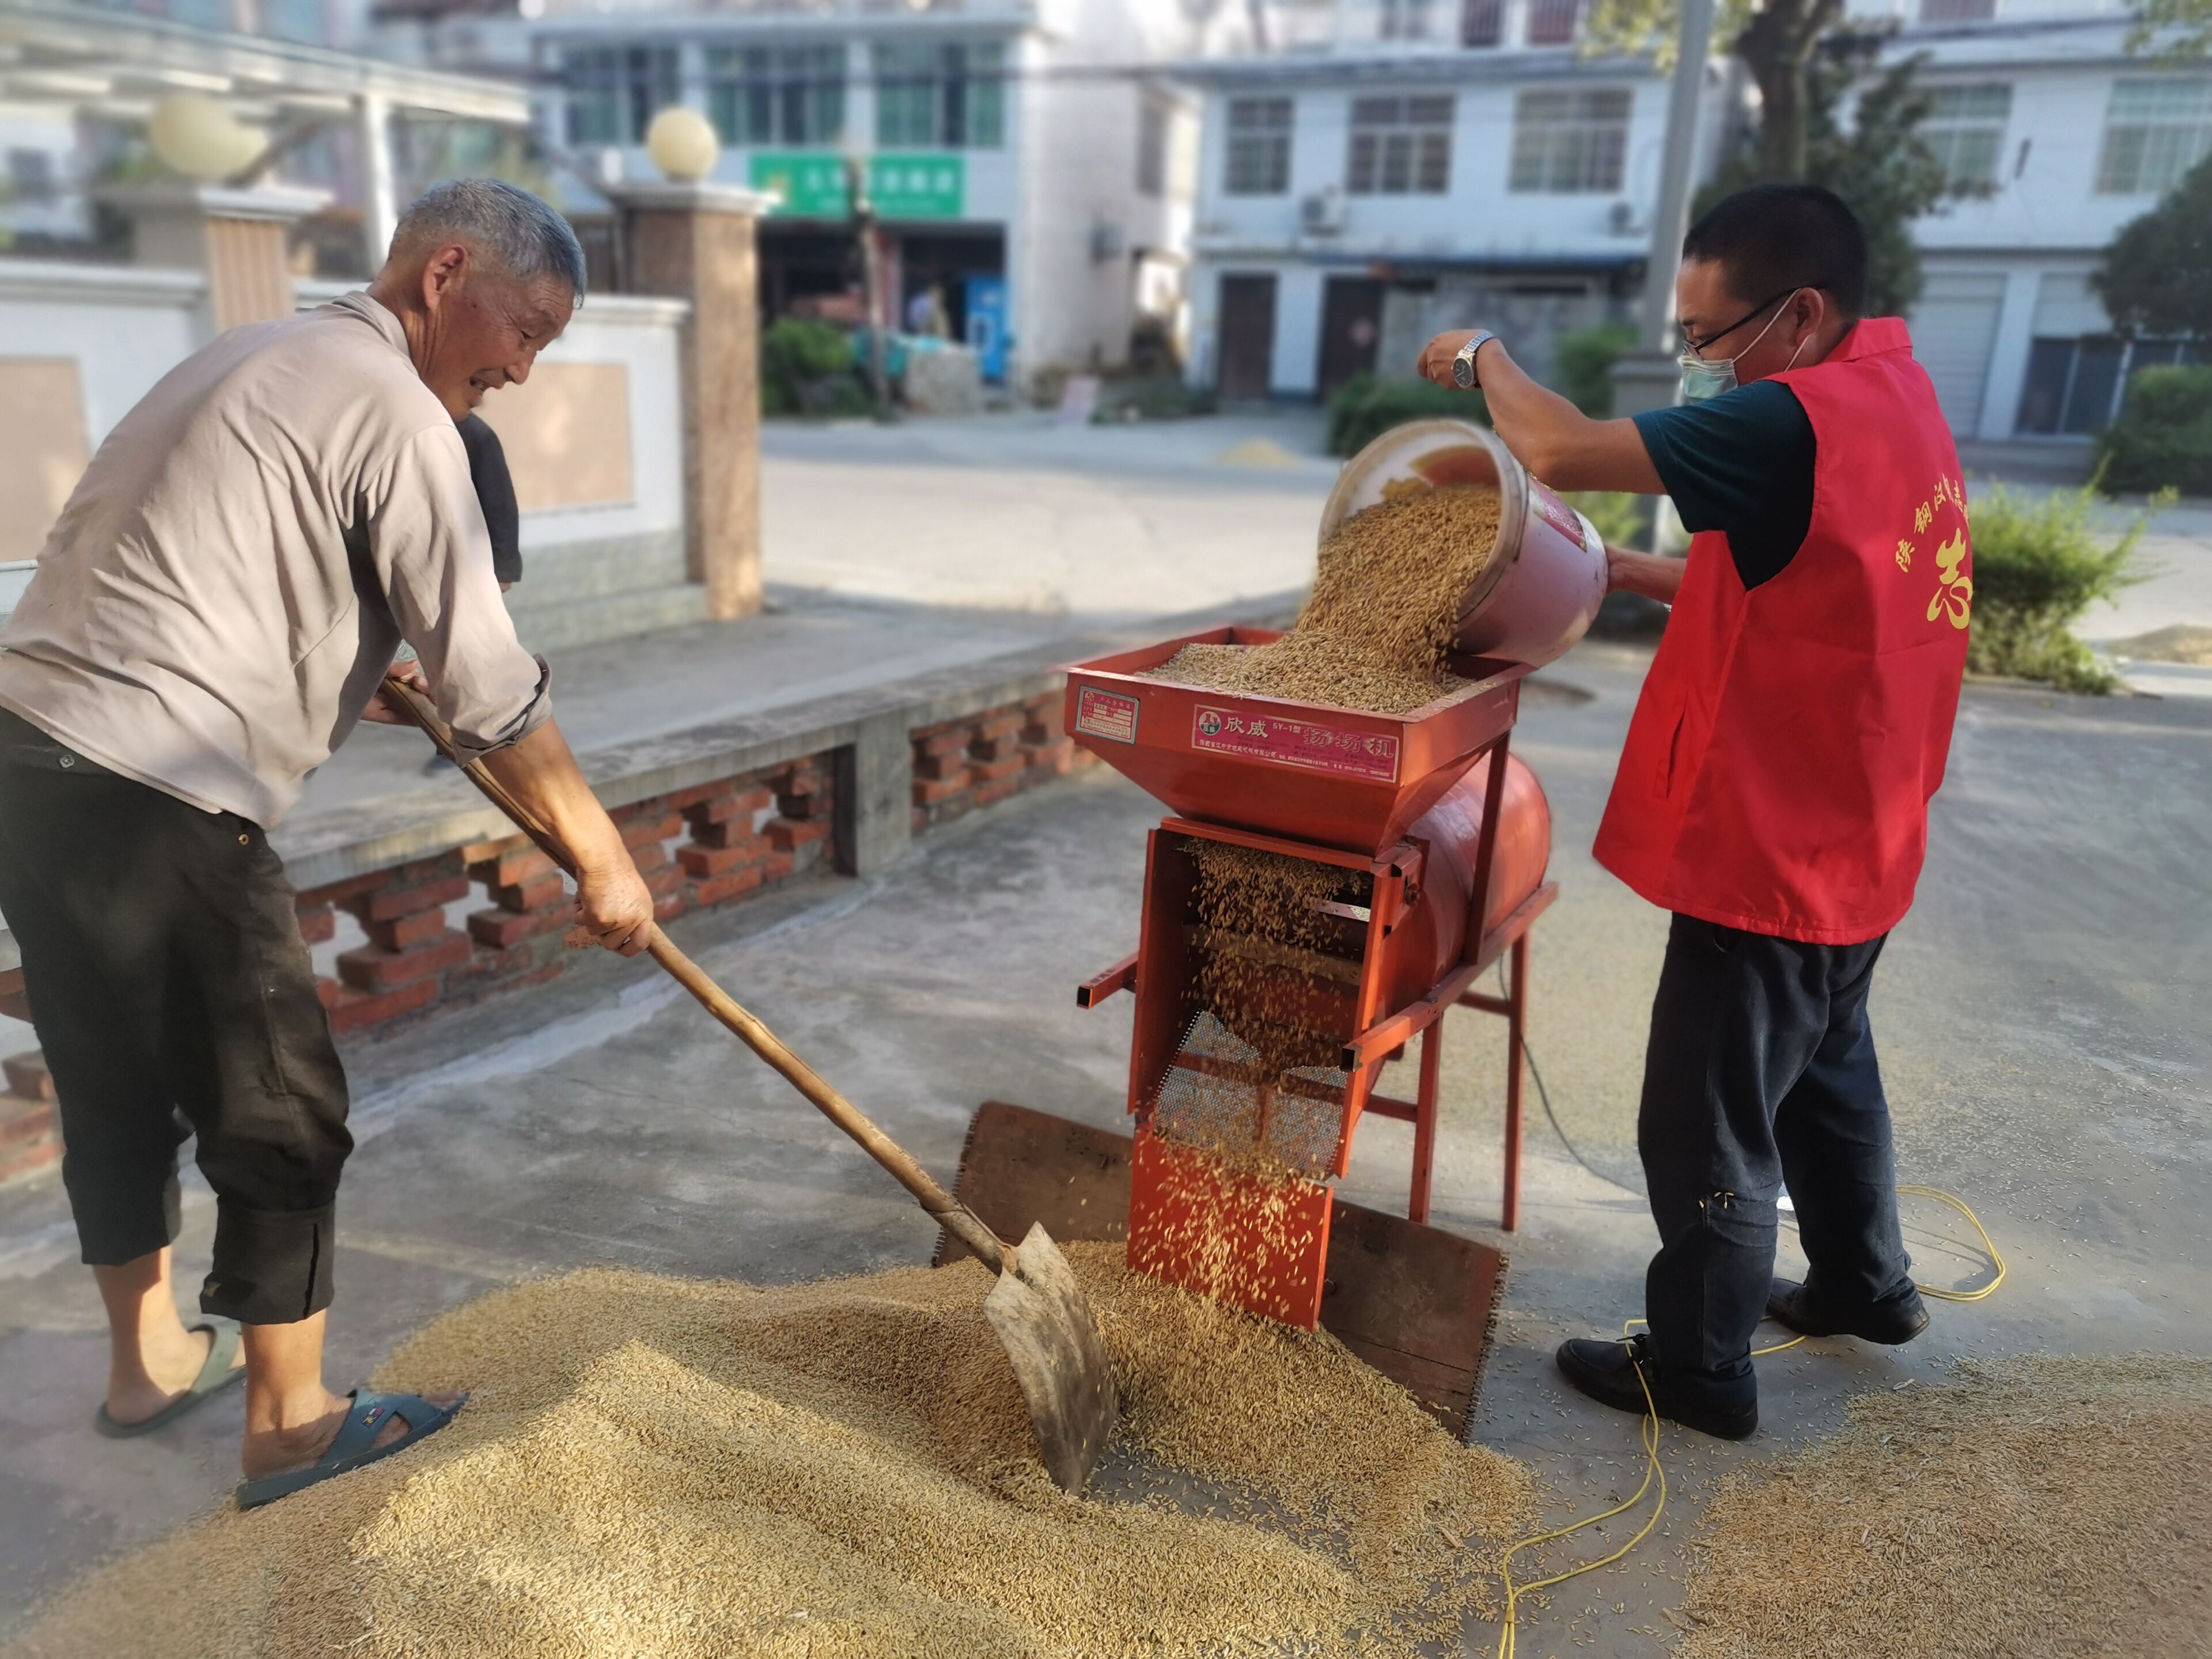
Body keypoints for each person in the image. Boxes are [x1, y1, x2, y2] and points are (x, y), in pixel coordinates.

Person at [0, 179, 656, 1505]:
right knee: (283, 1114)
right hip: (161, 788)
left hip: (30, 759)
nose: (525, 370)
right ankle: (293, 1425)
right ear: (445, 273)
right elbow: (490, 681)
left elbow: (214, 579)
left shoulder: (259, 349)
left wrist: (355, 682)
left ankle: (145, 1371)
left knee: (110, 1076)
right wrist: (600, 853)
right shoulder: (406, 420)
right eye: (526, 329)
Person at [1417, 183, 1971, 1439]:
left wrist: (1484, 356)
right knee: (1828, 1078)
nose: (1699, 362)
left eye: (1710, 336)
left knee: (1708, 1116)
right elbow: (1803, 578)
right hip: (1862, 834)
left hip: (1769, 847)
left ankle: (1701, 1365)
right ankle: (1864, 1285)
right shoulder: (1896, 401)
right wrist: (1619, 571)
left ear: (1803, 314)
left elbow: (1556, 453)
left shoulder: (1790, 421)